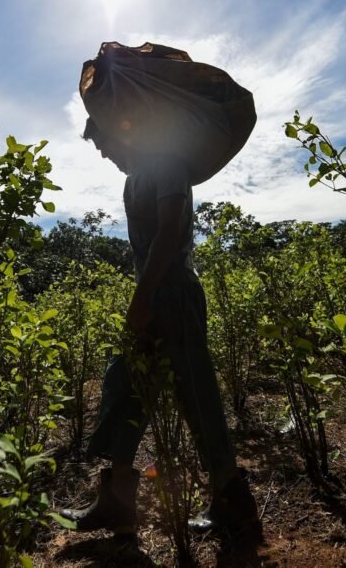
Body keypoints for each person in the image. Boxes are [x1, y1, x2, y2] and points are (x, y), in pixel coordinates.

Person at [59, 117, 261, 540]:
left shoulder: (166, 163)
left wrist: (143, 295)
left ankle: (232, 499)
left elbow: (170, 230)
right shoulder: (134, 178)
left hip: (174, 295)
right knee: (124, 383)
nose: (105, 154)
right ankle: (117, 499)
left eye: (105, 143)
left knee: (196, 395)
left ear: (126, 129)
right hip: (153, 295)